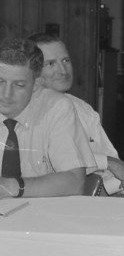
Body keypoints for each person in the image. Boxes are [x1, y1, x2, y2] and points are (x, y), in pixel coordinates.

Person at [28, 33, 124, 195]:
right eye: (50, 64)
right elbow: (54, 162)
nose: (63, 70)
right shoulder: (26, 111)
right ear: (32, 71)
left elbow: (113, 162)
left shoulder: (84, 109)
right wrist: (109, 163)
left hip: (97, 200)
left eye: (66, 60)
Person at [0, 36, 94, 201]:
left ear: (36, 85)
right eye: (0, 82)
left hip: (40, 213)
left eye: (19, 85)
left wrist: (12, 187)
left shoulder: (56, 108)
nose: (6, 95)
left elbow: (75, 182)